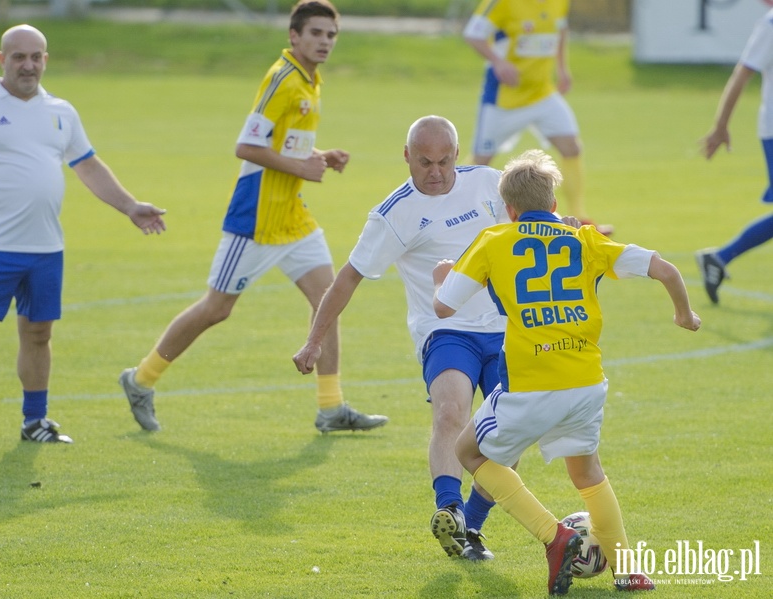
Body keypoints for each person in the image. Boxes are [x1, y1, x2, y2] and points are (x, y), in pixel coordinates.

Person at [433, 149, 700, 594]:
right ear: (554, 204)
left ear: (509, 209)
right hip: (586, 383)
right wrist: (684, 315)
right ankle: (628, 570)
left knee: (469, 454)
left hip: (530, 385)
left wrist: (444, 275)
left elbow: (444, 306)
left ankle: (554, 536)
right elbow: (665, 269)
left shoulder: (494, 239)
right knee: (588, 473)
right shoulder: (587, 239)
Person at [119, 0, 387, 435]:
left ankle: (331, 407)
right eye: (315, 33)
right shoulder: (282, 79)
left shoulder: (309, 81)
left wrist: (320, 156)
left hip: (293, 220)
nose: (324, 42)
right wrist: (303, 168)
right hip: (256, 220)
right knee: (216, 309)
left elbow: (283, 145)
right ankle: (141, 379)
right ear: (294, 36)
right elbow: (246, 147)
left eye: (331, 35)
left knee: (328, 304)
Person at [0, 24, 168, 444]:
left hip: (45, 249)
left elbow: (88, 166)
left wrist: (130, 206)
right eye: (19, 57)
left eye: (36, 56)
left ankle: (35, 421)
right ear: (2, 60)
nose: (28, 65)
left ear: (46, 60)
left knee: (38, 334)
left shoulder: (61, 111)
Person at [293, 115, 509, 561]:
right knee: (451, 412)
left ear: (457, 154)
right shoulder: (394, 215)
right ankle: (448, 511)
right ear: (407, 157)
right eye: (425, 162)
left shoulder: (490, 183)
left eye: (444, 162)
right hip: (445, 330)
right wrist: (314, 340)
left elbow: (533, 221)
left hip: (507, 329)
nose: (435, 172)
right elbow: (347, 279)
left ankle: (472, 528)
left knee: (506, 436)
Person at [462, 0, 613, 236]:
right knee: (480, 163)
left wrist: (563, 69)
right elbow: (473, 34)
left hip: (542, 94)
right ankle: (460, 217)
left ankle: (580, 218)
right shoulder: (502, 3)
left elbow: (560, 30)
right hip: (504, 99)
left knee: (571, 146)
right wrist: (498, 62)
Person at [696, 7, 773, 304]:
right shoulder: (770, 24)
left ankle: (719, 258)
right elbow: (742, 73)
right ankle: (719, 257)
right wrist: (720, 126)